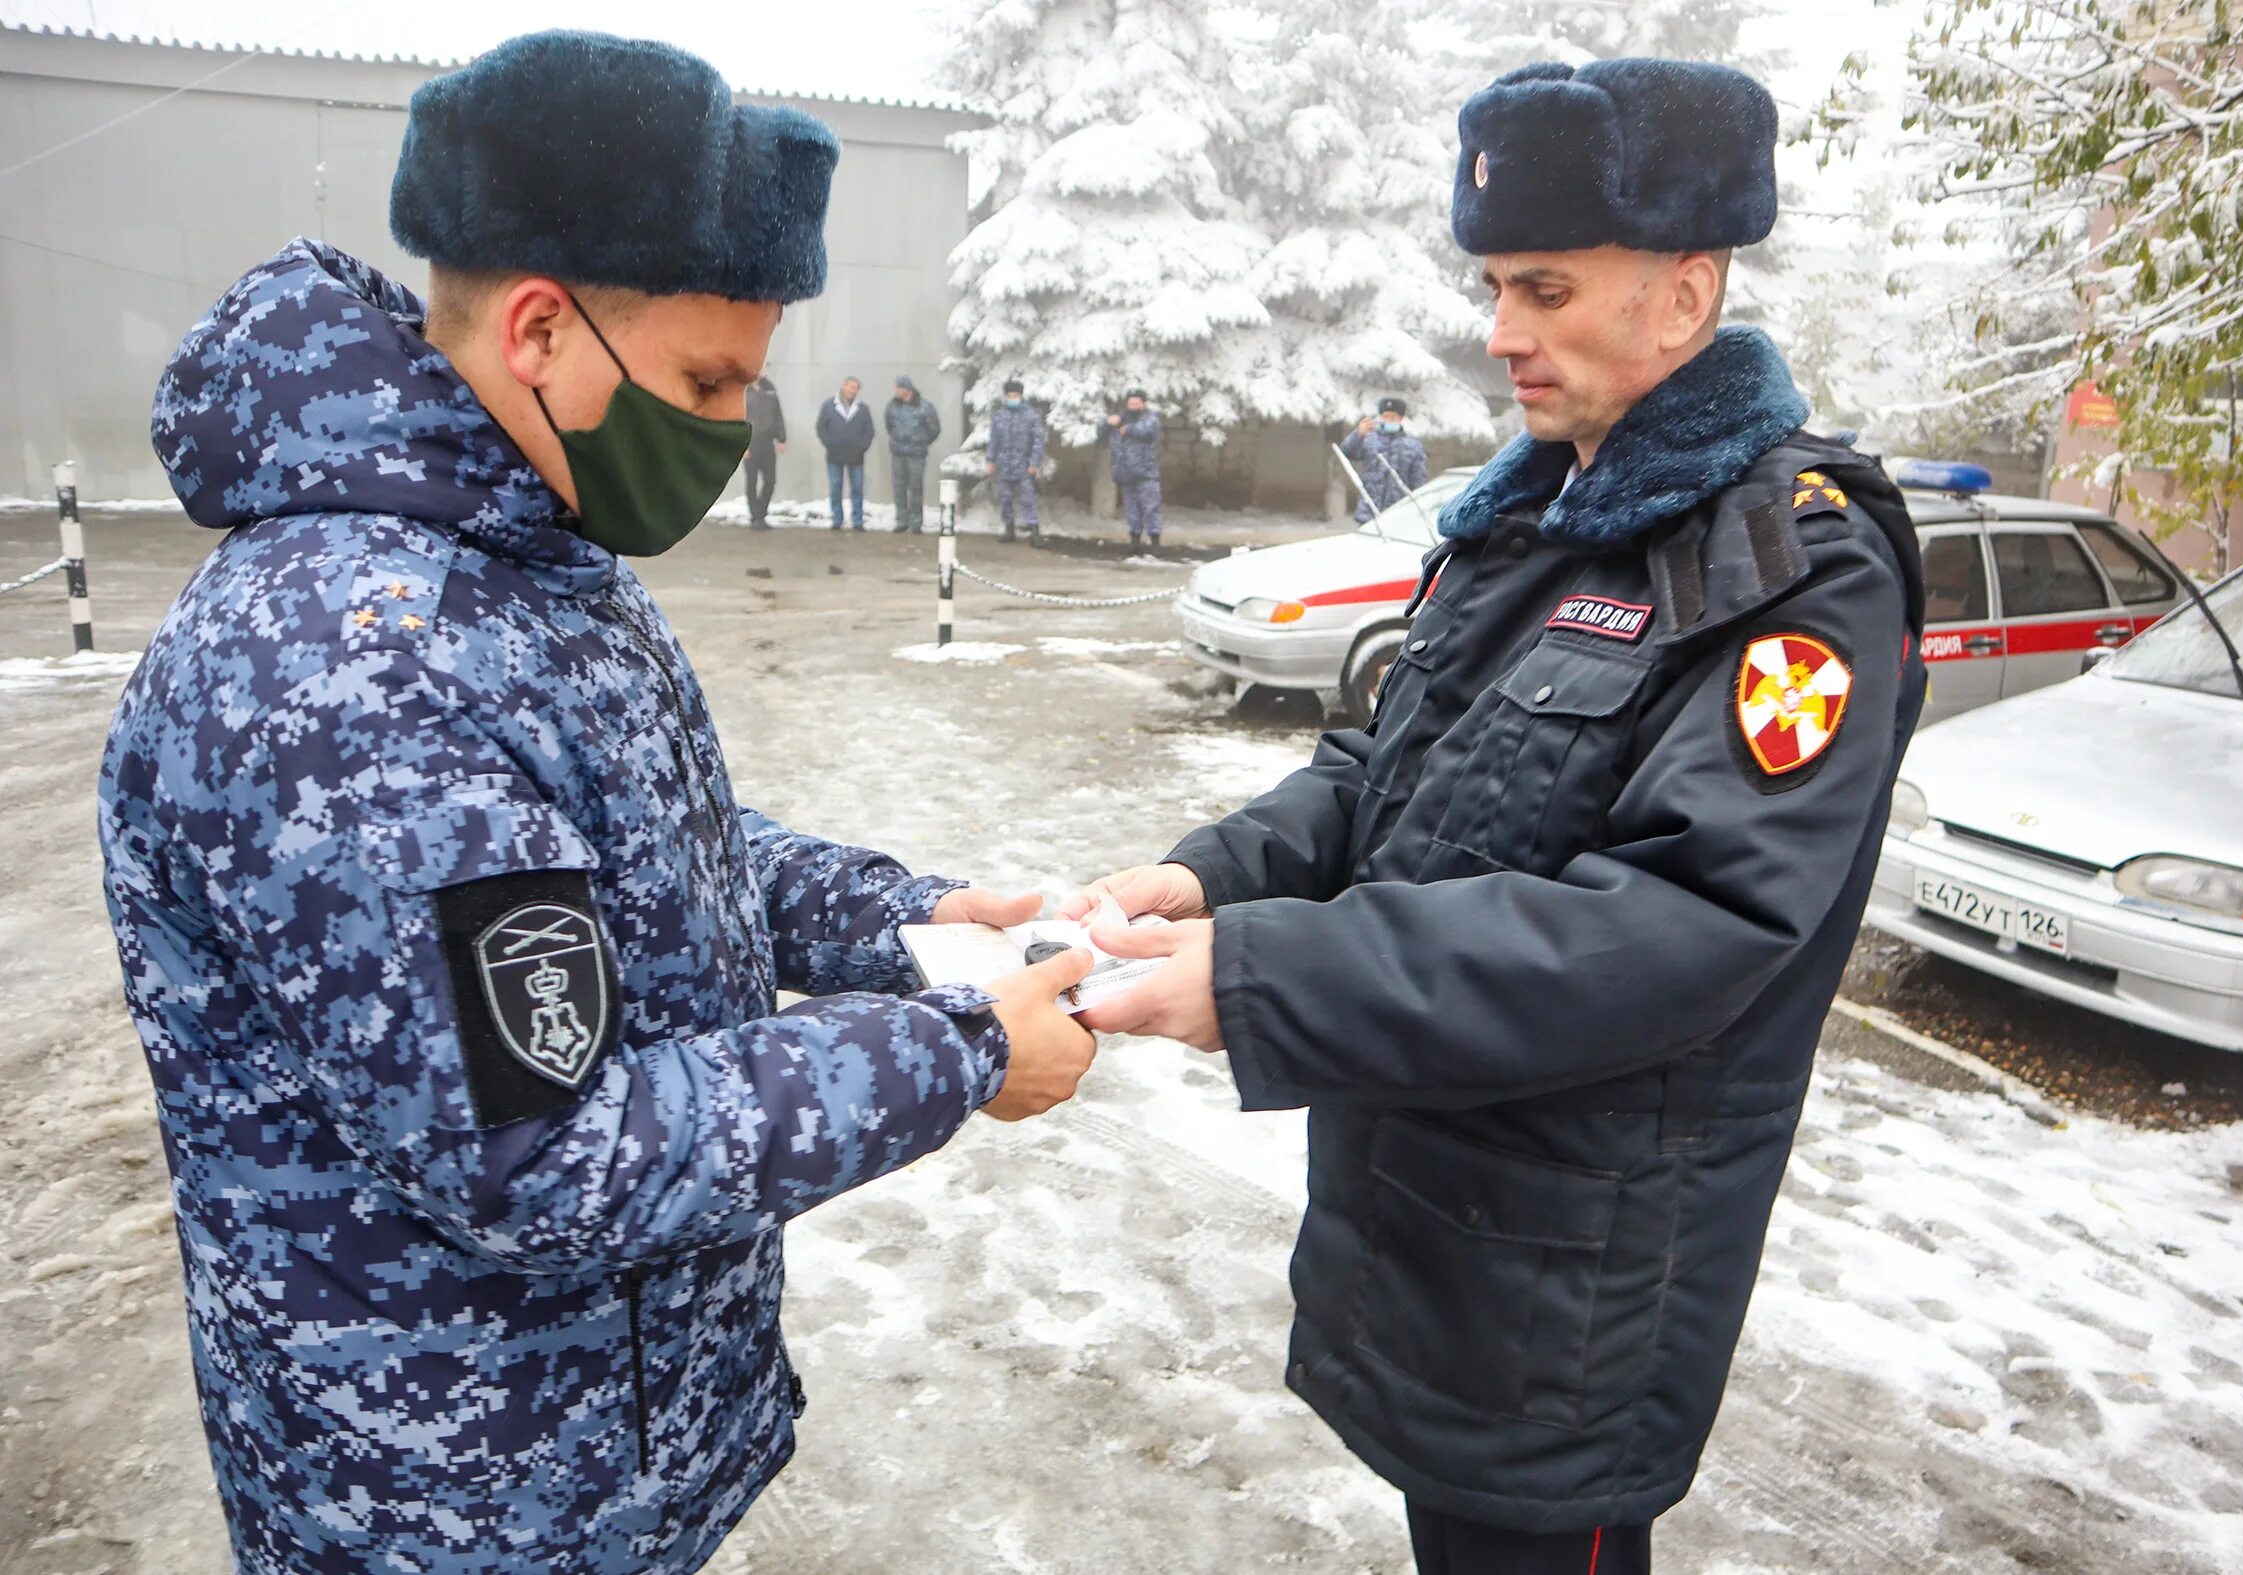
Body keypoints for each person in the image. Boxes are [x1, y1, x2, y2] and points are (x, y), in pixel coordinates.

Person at [98, 31, 1099, 1575]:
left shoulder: (520, 542)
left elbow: (609, 856)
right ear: (543, 328)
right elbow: (543, 1153)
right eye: (705, 381)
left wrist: (887, 919)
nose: (718, 429)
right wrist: (959, 1050)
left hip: (587, 1455)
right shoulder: (366, 662)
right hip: (457, 1504)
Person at [1064, 57, 1925, 1575]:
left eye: (1543, 287)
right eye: (1492, 284)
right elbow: (1382, 770)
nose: (1498, 332)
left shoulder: (1791, 565)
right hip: (1426, 1209)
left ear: (1682, 295)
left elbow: (1686, 920)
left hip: (1569, 1283)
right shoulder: (1528, 514)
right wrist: (1206, 878)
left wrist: (1272, 981)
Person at [1342, 394, 1429, 522]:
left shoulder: (1413, 445)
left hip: (1398, 515)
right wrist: (1358, 434)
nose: (1389, 420)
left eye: (1393, 417)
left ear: (1401, 418)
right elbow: (1347, 452)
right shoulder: (1369, 439)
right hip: (1369, 512)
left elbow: (1419, 482)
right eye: (1385, 416)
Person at [985, 376, 1046, 544]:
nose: (1012, 399)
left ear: (1021, 396)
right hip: (1004, 465)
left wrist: (1034, 463)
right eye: (1009, 395)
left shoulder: (1031, 416)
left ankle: (1034, 532)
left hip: (1024, 465)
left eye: (1015, 395)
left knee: (1028, 499)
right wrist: (991, 460)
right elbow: (994, 440)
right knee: (1005, 498)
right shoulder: (999, 416)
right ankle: (1009, 529)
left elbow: (1038, 441)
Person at [1102, 387, 1164, 551]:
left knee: (1151, 508)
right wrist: (1108, 422)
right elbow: (1101, 434)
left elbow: (1147, 431)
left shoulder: (1150, 419)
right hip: (1126, 473)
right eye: (1130, 403)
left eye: (1137, 403)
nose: (1133, 406)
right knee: (1132, 510)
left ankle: (1155, 543)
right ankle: (1134, 542)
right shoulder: (1120, 419)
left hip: (1146, 473)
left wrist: (1128, 429)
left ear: (1143, 404)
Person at [816, 374, 875, 529]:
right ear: (843, 386)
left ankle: (858, 520)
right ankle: (837, 519)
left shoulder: (862, 409)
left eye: (856, 388)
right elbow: (821, 428)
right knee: (835, 487)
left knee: (857, 488)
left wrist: (862, 447)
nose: (853, 391)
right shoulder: (829, 405)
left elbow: (869, 431)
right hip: (835, 455)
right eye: (851, 387)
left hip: (856, 456)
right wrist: (830, 444)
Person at [885, 374, 941, 532]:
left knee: (916, 488)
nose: (896, 390)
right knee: (899, 487)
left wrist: (921, 441)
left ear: (907, 389)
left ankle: (916, 522)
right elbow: (889, 426)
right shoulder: (892, 406)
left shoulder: (925, 406)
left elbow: (934, 429)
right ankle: (901, 521)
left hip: (916, 454)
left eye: (899, 387)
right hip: (898, 453)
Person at [743, 370, 786, 527]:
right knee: (752, 481)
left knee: (770, 480)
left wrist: (781, 438)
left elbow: (778, 414)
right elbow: (737, 418)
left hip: (767, 442)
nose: (762, 372)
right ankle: (755, 516)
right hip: (750, 443)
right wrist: (741, 446)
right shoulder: (743, 390)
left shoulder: (769, 389)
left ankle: (761, 512)